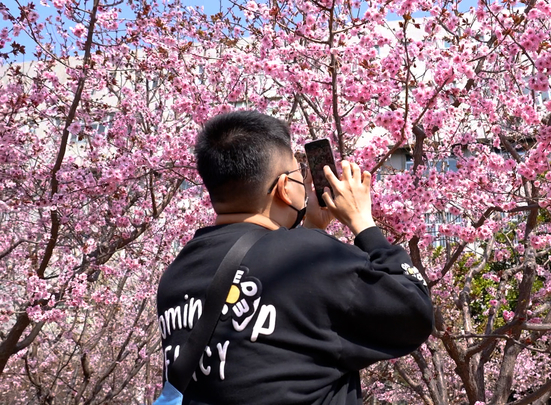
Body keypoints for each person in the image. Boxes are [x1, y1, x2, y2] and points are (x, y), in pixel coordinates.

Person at [156, 110, 434, 404]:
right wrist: (363, 223)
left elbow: (276, 349)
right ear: (285, 188)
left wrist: (312, 230)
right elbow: (414, 311)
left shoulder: (177, 272)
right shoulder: (311, 256)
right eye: (297, 173)